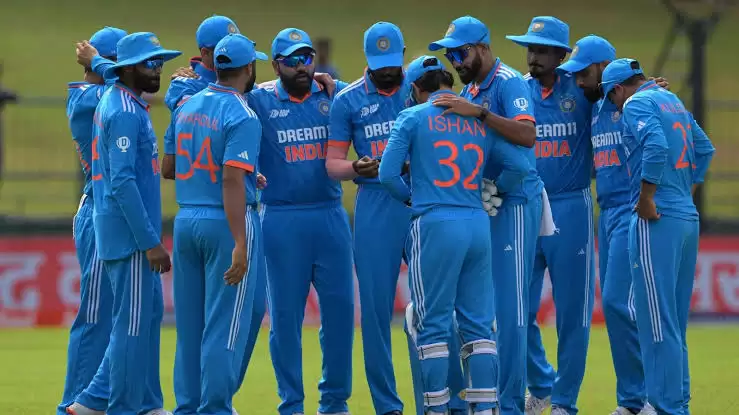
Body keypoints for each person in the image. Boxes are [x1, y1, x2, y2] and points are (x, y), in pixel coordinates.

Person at [379, 55, 529, 415]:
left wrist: (411, 198)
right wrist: (494, 188)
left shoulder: (412, 117)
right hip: (477, 223)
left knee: (431, 324)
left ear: (417, 87)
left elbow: (387, 175)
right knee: (479, 326)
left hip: (434, 222)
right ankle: (486, 407)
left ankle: (436, 408)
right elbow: (520, 167)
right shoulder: (476, 119)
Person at [428, 16, 547, 415]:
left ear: (482, 46)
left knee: (511, 308)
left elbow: (527, 135)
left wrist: (478, 113)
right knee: (491, 308)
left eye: (461, 53)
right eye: (450, 56)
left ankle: (511, 404)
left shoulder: (508, 82)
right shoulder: (473, 89)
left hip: (516, 200)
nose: (456, 62)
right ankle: (505, 392)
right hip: (489, 198)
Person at [246, 28, 354, 415]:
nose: (302, 66)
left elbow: (370, 95)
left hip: (329, 215)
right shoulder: (259, 100)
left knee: (340, 314)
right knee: (285, 320)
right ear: (276, 65)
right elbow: (220, 95)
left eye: (307, 58)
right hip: (281, 218)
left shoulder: (333, 95)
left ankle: (335, 403)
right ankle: (291, 404)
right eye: (292, 60)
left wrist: (339, 84)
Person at [601, 58, 714, 415]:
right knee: (674, 322)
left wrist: (648, 197)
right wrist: (683, 193)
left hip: (657, 218)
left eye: (611, 98)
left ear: (618, 89)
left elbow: (655, 145)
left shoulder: (635, 103)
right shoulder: (672, 100)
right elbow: (705, 149)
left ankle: (665, 408)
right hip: (685, 217)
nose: (614, 106)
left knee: (655, 320)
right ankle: (677, 405)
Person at [557, 35, 656, 415]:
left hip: (634, 210)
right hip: (607, 212)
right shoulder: (593, 106)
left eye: (584, 73)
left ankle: (647, 397)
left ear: (603, 68)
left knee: (619, 301)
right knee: (616, 305)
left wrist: (653, 90)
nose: (579, 81)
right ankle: (633, 400)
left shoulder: (635, 103)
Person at [502, 16, 596, 415]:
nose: (533, 57)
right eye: (530, 49)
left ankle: (564, 402)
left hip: (571, 205)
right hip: (526, 204)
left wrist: (648, 87)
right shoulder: (517, 90)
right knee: (515, 308)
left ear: (561, 55)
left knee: (572, 312)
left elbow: (619, 96)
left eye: (542, 51)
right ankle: (541, 383)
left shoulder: (582, 90)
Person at [170, 33, 264, 415]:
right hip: (224, 221)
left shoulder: (187, 106)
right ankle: (215, 409)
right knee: (224, 327)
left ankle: (187, 407)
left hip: (185, 219)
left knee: (190, 328)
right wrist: (240, 240)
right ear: (248, 68)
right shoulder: (243, 113)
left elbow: (169, 166)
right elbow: (229, 179)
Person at [89, 32, 179, 415]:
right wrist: (149, 242)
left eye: (159, 62)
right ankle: (124, 407)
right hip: (131, 238)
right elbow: (122, 183)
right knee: (133, 324)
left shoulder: (124, 102)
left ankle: (146, 403)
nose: (157, 70)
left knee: (147, 316)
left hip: (126, 234)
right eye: (149, 63)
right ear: (127, 69)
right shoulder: (125, 111)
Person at [326, 21, 410, 415]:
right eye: (380, 65)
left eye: (393, 63)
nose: (387, 71)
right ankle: (388, 406)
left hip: (421, 198)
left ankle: (441, 399)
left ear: (403, 56)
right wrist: (355, 168)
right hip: (375, 201)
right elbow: (332, 163)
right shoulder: (347, 101)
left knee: (433, 307)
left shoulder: (420, 88)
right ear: (367, 60)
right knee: (376, 313)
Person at [60, 26, 126, 415]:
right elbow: (122, 91)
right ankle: (72, 403)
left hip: (109, 212)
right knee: (96, 315)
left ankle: (106, 401)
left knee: (123, 317)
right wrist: (99, 63)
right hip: (98, 212)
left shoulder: (107, 96)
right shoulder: (89, 98)